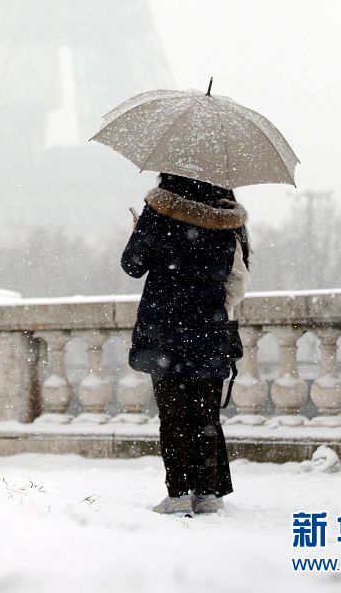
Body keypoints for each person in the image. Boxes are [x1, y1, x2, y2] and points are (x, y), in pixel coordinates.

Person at [121, 171, 250, 515]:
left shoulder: (159, 209)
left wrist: (141, 232)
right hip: (208, 327)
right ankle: (207, 492)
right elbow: (238, 278)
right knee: (205, 414)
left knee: (173, 414)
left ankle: (178, 492)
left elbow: (132, 265)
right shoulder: (227, 216)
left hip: (165, 330)